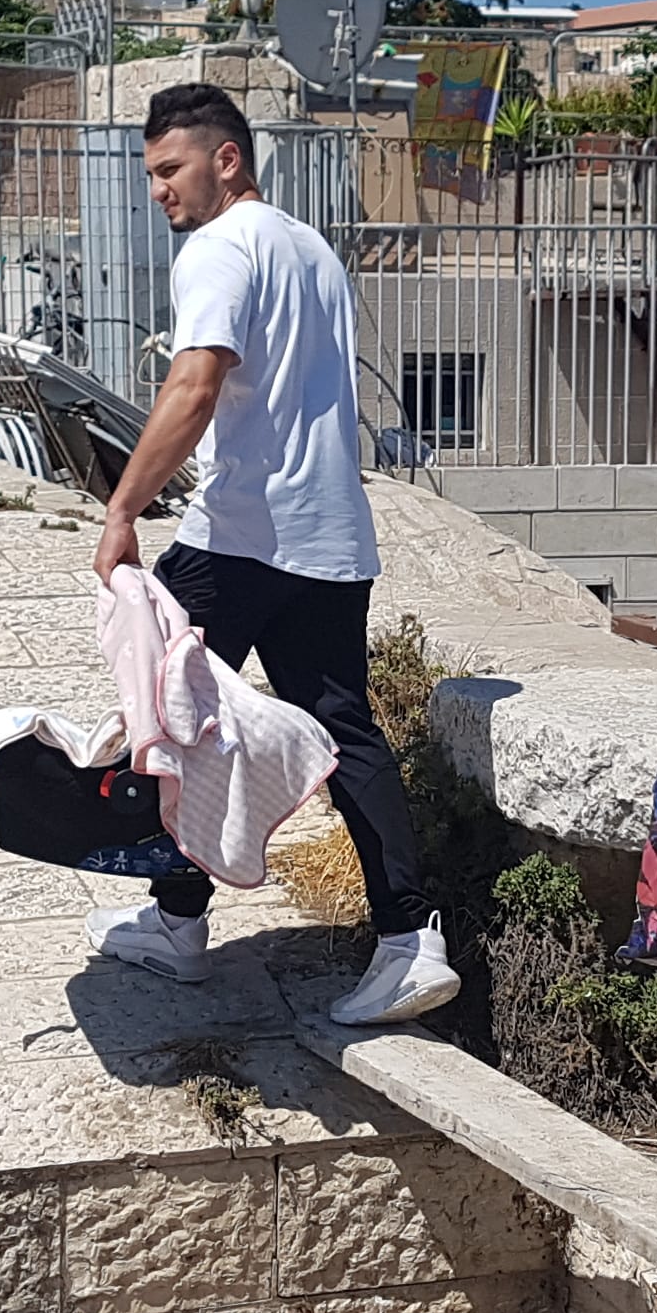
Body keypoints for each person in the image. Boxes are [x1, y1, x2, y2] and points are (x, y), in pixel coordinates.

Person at [87, 82, 459, 1026]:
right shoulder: (311, 248)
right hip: (328, 535)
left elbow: (195, 382)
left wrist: (123, 509)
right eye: (151, 176)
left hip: (242, 535)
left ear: (227, 160)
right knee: (344, 733)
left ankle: (177, 927)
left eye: (171, 170)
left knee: (162, 716)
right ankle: (412, 941)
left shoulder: (219, 247)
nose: (160, 192)